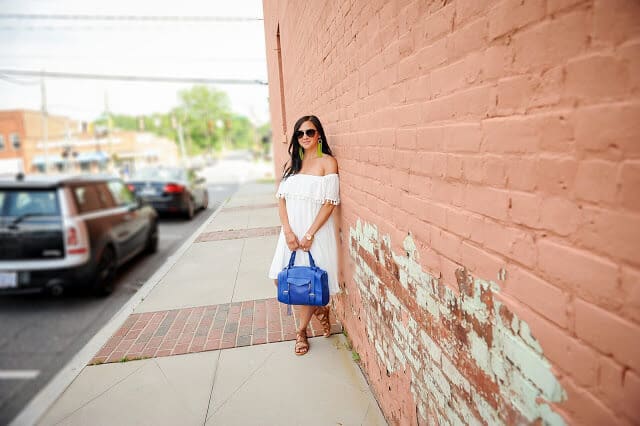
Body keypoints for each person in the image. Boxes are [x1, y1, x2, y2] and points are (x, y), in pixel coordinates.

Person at [268, 115, 340, 356]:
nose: (305, 137)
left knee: (306, 280)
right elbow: (282, 201)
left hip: (314, 232)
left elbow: (330, 203)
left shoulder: (327, 162)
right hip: (290, 233)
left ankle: (301, 332)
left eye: (310, 132)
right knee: (281, 278)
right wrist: (288, 231)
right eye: (300, 134)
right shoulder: (292, 164)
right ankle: (320, 308)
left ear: (318, 134)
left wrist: (309, 234)